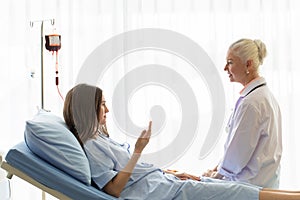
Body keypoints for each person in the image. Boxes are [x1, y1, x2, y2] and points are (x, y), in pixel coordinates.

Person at [63, 83, 299, 200]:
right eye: (102, 104)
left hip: (164, 182)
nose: (107, 110)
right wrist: (137, 151)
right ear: (88, 109)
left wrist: (169, 172)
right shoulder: (91, 146)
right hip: (161, 193)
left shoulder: (100, 137)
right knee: (235, 190)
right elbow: (114, 189)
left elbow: (133, 173)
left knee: (241, 188)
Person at [202, 39, 282, 188]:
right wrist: (218, 168)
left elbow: (237, 158)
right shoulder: (262, 96)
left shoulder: (252, 103)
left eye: (230, 62)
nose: (225, 68)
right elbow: (237, 150)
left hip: (247, 187)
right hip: (261, 184)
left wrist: (215, 175)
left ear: (248, 65)